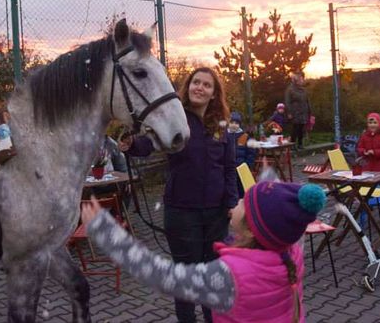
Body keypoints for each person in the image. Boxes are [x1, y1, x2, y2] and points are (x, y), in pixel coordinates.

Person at [81, 181, 327, 323]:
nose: (237, 202)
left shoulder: (229, 276)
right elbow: (280, 222)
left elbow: (162, 275)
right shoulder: (290, 252)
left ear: (252, 231)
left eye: (244, 203)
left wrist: (108, 234)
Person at [122, 67, 238, 323]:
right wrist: (132, 144)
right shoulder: (175, 120)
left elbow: (229, 167)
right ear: (188, 87)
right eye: (196, 82)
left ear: (214, 94)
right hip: (182, 212)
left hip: (217, 213)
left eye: (207, 85)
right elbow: (149, 144)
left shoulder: (221, 126)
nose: (200, 87)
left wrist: (232, 202)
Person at [356, 112, 380, 195]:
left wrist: (375, 152)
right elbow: (359, 147)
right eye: (370, 123)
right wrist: (363, 152)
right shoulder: (364, 135)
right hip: (368, 165)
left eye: (375, 123)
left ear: (379, 124)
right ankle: (368, 202)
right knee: (368, 185)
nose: (372, 125)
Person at [226, 112, 256, 197]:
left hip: (241, 168)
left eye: (236, 123)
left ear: (239, 124)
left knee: (241, 189)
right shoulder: (225, 135)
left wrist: (247, 164)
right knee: (230, 188)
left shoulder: (243, 136)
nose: (234, 125)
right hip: (228, 167)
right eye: (232, 123)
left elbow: (250, 152)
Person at [285, 72, 311, 149]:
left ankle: (300, 144)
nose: (302, 80)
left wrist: (309, 111)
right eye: (300, 79)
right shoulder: (290, 89)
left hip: (303, 112)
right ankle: (292, 145)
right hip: (295, 112)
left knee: (301, 129)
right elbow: (287, 101)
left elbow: (307, 101)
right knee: (295, 128)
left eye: (302, 79)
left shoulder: (303, 90)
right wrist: (289, 112)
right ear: (296, 80)